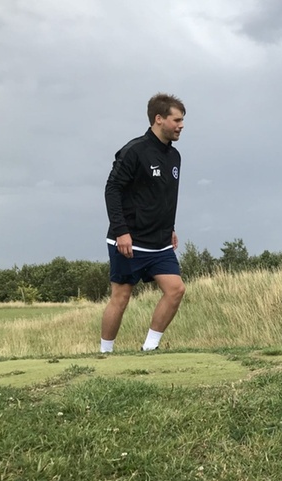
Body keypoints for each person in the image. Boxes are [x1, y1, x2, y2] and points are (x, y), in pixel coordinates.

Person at [100, 93, 187, 353]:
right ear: (159, 119)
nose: (181, 125)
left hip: (159, 243)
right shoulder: (134, 151)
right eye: (177, 120)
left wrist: (169, 228)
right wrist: (121, 232)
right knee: (121, 297)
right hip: (130, 241)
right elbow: (112, 190)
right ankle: (105, 353)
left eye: (183, 120)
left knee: (176, 290)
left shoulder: (175, 157)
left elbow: (162, 197)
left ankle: (149, 349)